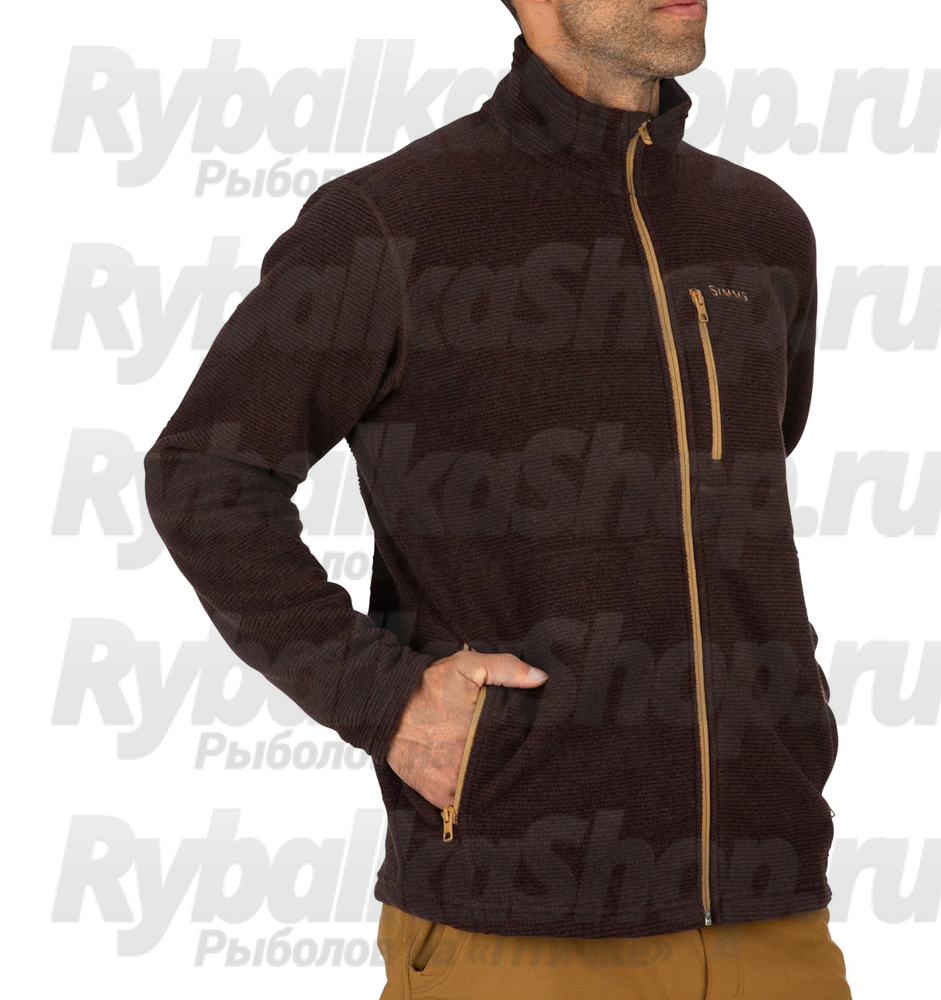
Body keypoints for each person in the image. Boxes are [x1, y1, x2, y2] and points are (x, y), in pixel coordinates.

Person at [144, 1, 854, 996]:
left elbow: (740, 505)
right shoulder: (388, 225)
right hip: (513, 928)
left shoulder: (763, 229)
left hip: (772, 914)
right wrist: (383, 697)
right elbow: (205, 475)